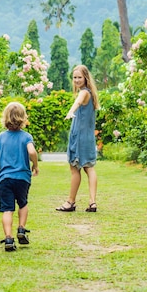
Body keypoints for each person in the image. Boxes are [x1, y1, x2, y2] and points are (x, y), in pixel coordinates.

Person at [0, 101, 39, 251]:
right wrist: (35, 165)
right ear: (23, 118)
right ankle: (21, 229)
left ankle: (8, 238)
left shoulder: (1, 137)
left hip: (4, 179)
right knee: (23, 203)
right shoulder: (26, 137)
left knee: (7, 209)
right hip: (22, 178)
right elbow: (32, 152)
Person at [56, 65, 100, 213]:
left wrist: (70, 111)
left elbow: (78, 102)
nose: (76, 80)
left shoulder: (84, 93)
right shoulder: (92, 94)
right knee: (89, 168)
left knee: (75, 170)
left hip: (79, 137)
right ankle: (92, 202)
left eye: (79, 77)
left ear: (85, 78)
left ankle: (70, 202)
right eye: (74, 77)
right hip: (88, 137)